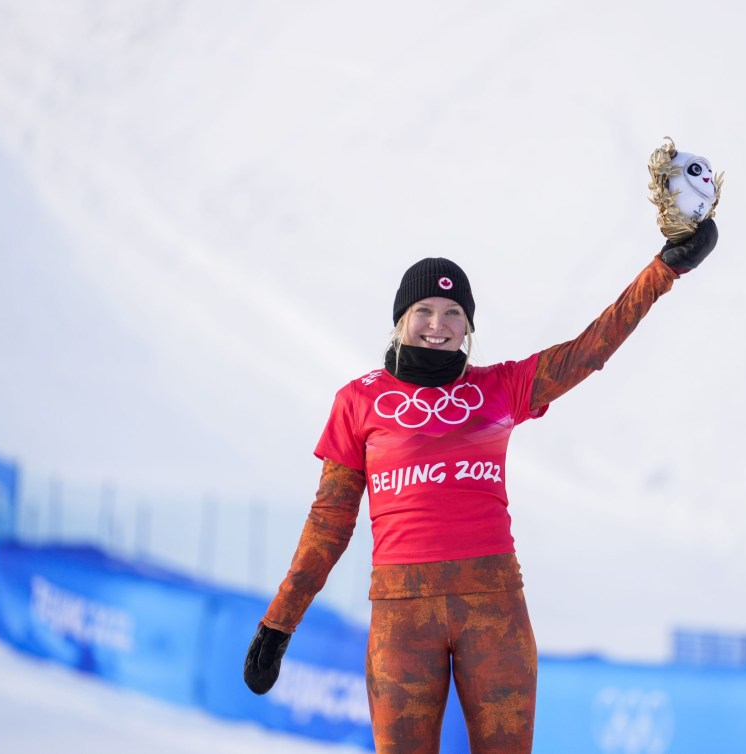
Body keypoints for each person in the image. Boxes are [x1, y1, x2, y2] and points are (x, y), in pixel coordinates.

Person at [243, 218, 719, 753]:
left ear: (469, 327)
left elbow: (591, 349)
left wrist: (664, 270)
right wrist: (279, 622)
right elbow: (329, 523)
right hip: (403, 613)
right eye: (423, 311)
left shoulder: (501, 388)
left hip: (494, 607)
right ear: (400, 319)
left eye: (454, 314)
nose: (437, 324)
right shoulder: (359, 401)